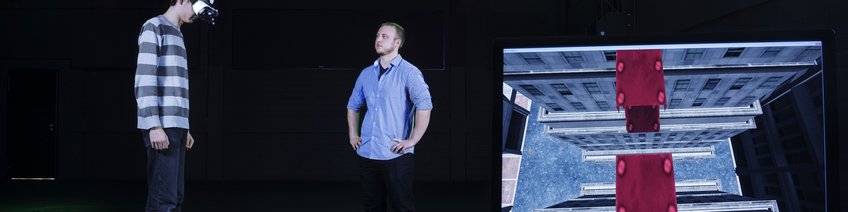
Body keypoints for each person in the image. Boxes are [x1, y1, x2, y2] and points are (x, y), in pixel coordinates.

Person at [346, 22, 433, 212]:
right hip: (367, 153)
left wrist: (413, 140)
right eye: (377, 35)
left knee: (402, 207)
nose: (378, 39)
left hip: (395, 155)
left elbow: (425, 105)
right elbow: (353, 106)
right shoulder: (366, 74)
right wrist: (353, 135)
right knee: (372, 206)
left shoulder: (409, 72)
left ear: (397, 43)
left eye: (384, 36)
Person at [134, 0, 198, 211]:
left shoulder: (178, 34)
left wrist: (185, 126)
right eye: (196, 8)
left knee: (174, 197)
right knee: (164, 199)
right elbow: (145, 78)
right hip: (162, 126)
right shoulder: (154, 26)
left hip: (177, 126)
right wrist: (153, 125)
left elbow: (176, 85)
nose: (197, 15)